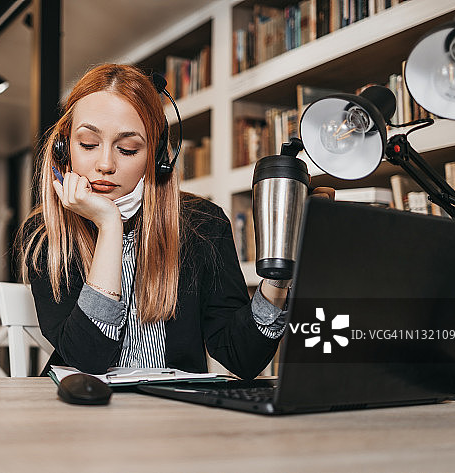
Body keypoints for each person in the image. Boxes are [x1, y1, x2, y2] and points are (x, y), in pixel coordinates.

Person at [19, 63, 333, 377]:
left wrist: (280, 273)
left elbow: (243, 358)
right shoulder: (45, 234)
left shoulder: (204, 223)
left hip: (179, 412)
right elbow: (87, 362)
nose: (105, 164)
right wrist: (109, 226)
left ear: (157, 157)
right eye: (88, 144)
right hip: (82, 412)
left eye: (128, 149)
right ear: (64, 148)